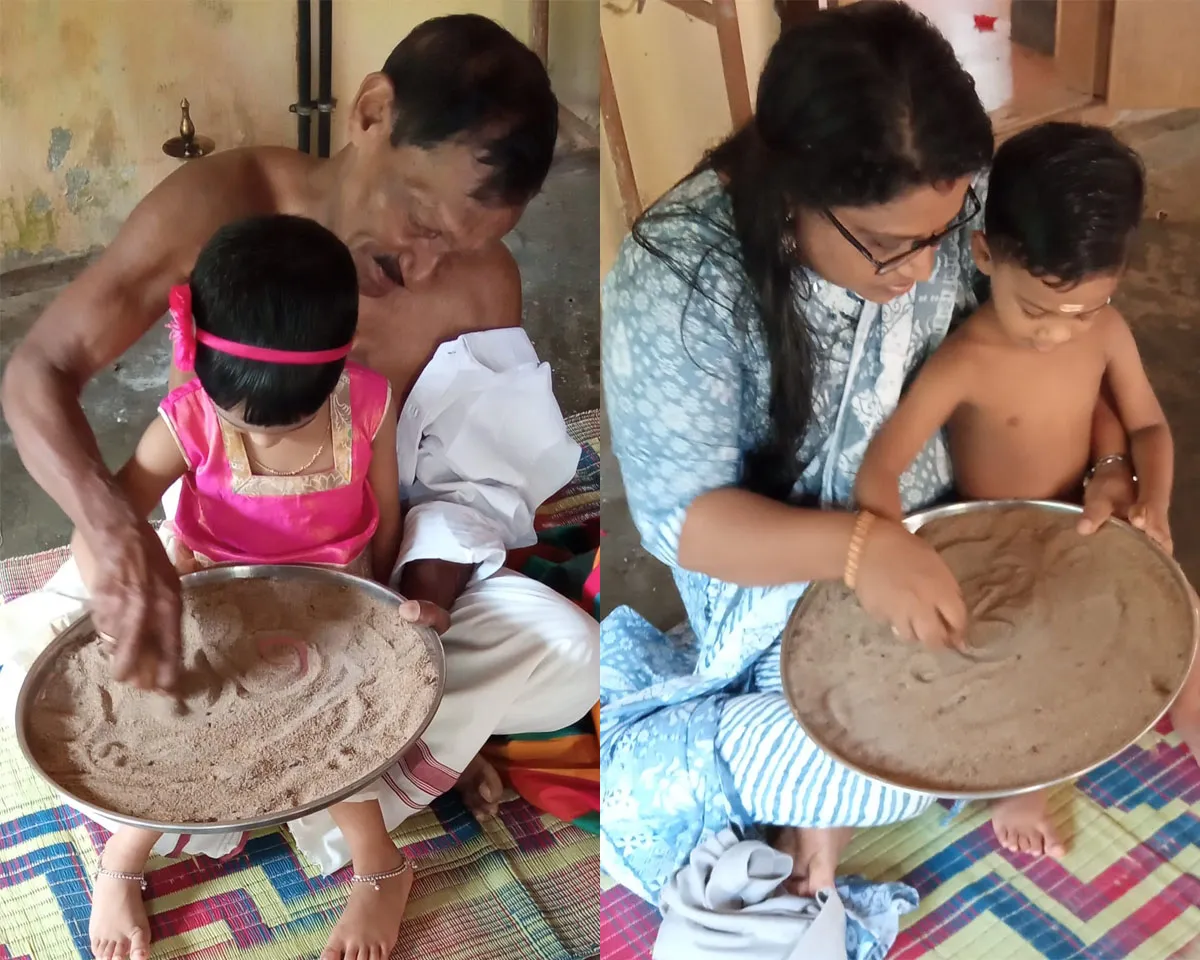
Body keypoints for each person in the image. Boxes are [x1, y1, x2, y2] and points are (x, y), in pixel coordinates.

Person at [0, 14, 598, 960]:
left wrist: (417, 602)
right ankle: (338, 789)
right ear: (371, 111)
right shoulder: (217, 204)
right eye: (422, 221)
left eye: (462, 244)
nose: (425, 268)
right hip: (206, 555)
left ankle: (340, 815)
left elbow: (468, 478)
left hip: (359, 566)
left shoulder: (478, 281)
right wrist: (119, 542)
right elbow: (37, 373)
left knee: (566, 649)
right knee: (21, 671)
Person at [600, 1, 1139, 906]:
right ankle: (762, 757)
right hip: (772, 574)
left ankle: (852, 780)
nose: (927, 271)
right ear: (791, 190)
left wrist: (1106, 465)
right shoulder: (680, 283)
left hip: (948, 524)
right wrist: (855, 548)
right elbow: (683, 523)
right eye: (889, 245)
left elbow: (1064, 344)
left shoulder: (961, 203)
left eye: (941, 235)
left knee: (1090, 649)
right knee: (891, 746)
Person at [855, 122, 1198, 856]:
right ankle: (1025, 786)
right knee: (1015, 659)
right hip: (992, 547)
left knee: (1190, 621)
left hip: (1084, 520)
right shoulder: (965, 361)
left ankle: (1195, 730)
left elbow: (1149, 431)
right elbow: (878, 469)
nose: (1055, 333)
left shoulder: (1104, 331)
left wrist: (1153, 506)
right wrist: (898, 557)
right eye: (1036, 309)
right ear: (986, 256)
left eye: (1080, 309)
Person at [77, 214, 410, 960]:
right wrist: (122, 593)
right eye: (246, 423)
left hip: (333, 593)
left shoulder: (368, 404)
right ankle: (123, 857)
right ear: (198, 368)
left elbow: (384, 514)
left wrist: (388, 605)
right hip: (210, 587)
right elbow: (110, 517)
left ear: (339, 365)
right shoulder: (187, 420)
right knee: (176, 717)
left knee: (339, 723)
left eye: (292, 419)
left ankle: (381, 867)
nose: (262, 439)